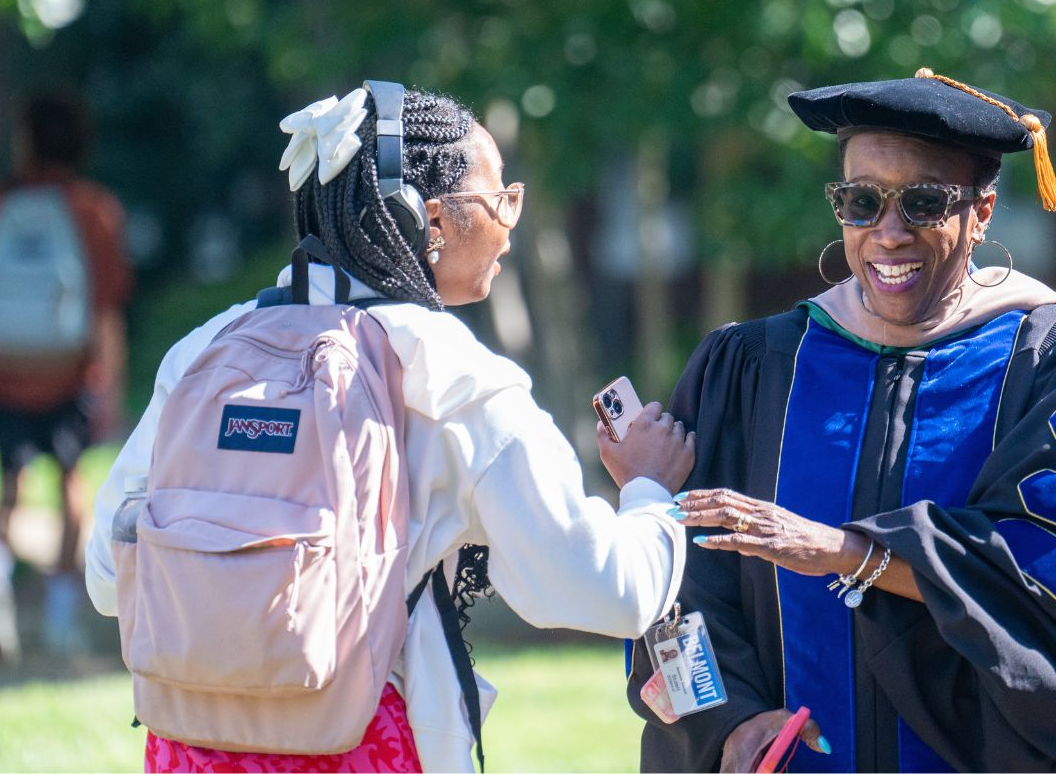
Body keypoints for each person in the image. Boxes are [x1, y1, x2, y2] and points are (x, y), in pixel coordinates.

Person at [86, 81, 693, 772]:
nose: (509, 221)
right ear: (428, 218)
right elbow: (606, 591)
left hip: (187, 747)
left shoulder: (206, 352)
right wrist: (647, 490)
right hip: (359, 745)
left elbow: (109, 574)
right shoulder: (456, 381)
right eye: (501, 199)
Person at [630, 69, 1056, 772]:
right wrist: (725, 723)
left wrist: (852, 552)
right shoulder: (751, 367)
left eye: (923, 203)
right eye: (861, 201)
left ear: (982, 213)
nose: (888, 234)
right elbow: (672, 591)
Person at [0, 87, 132, 662]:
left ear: (25, 142)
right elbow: (106, 307)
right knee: (72, 489)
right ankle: (59, 622)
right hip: (68, 373)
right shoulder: (94, 210)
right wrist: (109, 383)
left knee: (8, 486)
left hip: (2, 372)